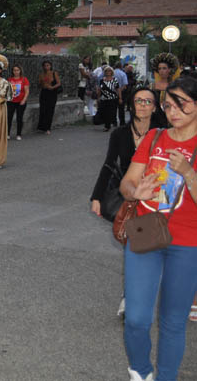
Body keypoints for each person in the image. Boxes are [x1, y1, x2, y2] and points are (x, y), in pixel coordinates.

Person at [119, 77, 197, 381]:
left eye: (182, 104)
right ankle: (140, 370)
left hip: (188, 240)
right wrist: (134, 193)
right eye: (168, 104)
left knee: (173, 321)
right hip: (146, 231)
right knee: (136, 319)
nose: (173, 111)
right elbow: (128, 181)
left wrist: (188, 172)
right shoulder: (155, 137)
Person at [90, 86, 166, 319]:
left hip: (157, 199)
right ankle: (130, 298)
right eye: (138, 100)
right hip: (129, 197)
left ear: (155, 107)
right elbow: (108, 164)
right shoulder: (120, 134)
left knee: (151, 250)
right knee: (133, 249)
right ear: (132, 104)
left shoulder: (163, 134)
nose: (142, 105)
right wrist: (96, 196)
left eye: (148, 101)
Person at [93, 66, 122, 131]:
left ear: (112, 72)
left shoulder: (115, 80)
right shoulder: (102, 80)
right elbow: (99, 89)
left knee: (110, 112)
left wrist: (120, 98)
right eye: (106, 71)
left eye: (109, 71)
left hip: (112, 98)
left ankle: (107, 126)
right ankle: (106, 124)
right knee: (104, 112)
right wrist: (98, 98)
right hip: (104, 99)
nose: (108, 72)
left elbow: (118, 89)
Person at [36, 60, 60, 134]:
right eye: (45, 65)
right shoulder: (41, 74)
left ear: (50, 66)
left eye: (48, 65)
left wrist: (52, 87)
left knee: (50, 110)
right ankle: (42, 127)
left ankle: (48, 128)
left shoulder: (54, 73)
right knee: (43, 110)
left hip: (52, 93)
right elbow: (39, 85)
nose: (46, 67)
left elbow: (59, 83)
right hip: (44, 92)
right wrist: (41, 84)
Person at [7, 64, 29, 141]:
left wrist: (24, 100)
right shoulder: (9, 79)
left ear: (20, 71)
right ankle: (7, 134)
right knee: (9, 118)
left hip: (21, 102)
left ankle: (18, 134)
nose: (16, 72)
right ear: (12, 71)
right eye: (14, 70)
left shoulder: (24, 79)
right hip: (11, 101)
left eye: (17, 70)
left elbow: (27, 91)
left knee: (19, 118)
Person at [114, 61, 129, 126]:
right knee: (121, 108)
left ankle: (114, 122)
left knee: (113, 108)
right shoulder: (123, 74)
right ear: (121, 67)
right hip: (122, 93)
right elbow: (125, 85)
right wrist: (119, 90)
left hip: (112, 92)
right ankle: (122, 122)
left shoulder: (111, 73)